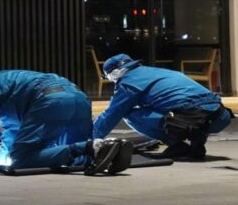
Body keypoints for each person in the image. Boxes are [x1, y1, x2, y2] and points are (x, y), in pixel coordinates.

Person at [0, 71, 133, 175]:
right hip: (77, 96)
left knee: (22, 160)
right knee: (73, 155)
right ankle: (102, 149)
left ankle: (89, 147)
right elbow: (12, 131)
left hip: (50, 101)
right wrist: (1, 156)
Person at [94, 53, 233, 160]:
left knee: (130, 115)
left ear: (114, 73)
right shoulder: (159, 72)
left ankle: (177, 146)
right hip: (220, 116)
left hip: (191, 118)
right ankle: (196, 146)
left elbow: (112, 114)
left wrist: (90, 140)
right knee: (191, 110)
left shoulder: (128, 82)